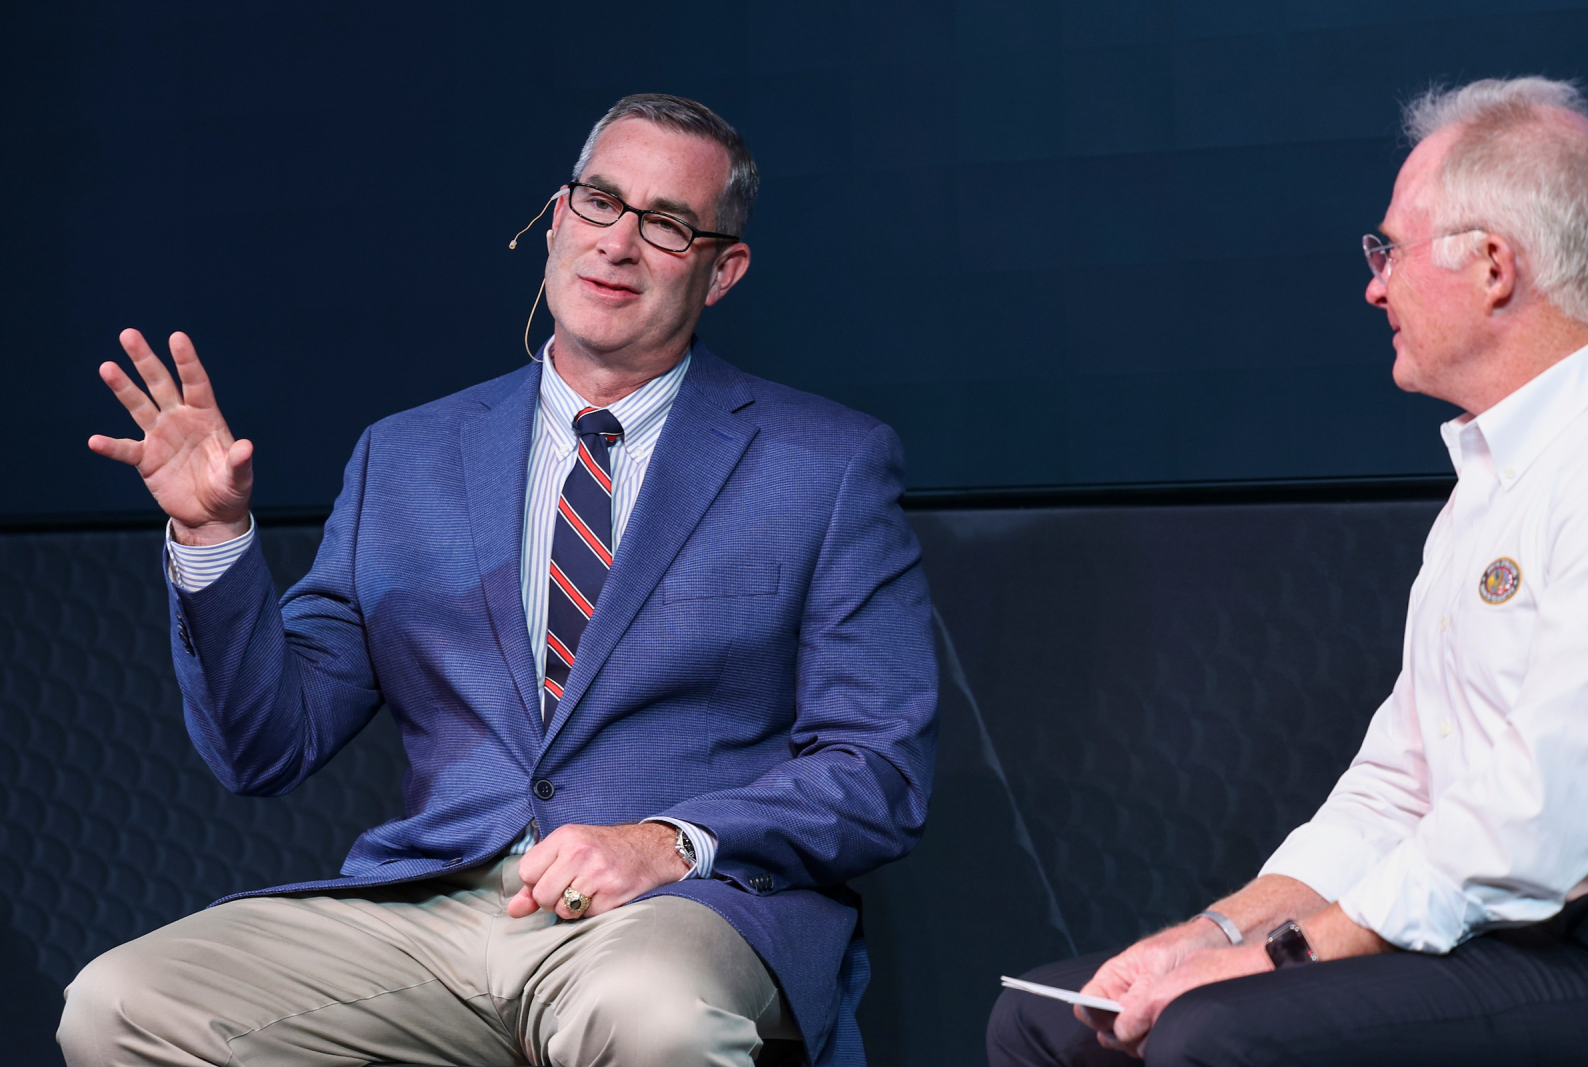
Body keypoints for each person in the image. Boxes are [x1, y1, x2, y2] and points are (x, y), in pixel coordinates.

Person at [61, 93, 938, 1067]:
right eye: (600, 203)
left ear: (720, 268)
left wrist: (663, 839)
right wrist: (214, 536)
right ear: (557, 217)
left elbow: (877, 767)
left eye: (666, 223)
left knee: (651, 1018)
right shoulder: (407, 456)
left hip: (676, 907)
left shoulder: (823, 464)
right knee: (120, 1002)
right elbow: (266, 744)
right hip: (433, 903)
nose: (618, 244)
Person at [989, 75, 1588, 1066]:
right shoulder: (1487, 480)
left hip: (1570, 947)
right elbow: (1394, 788)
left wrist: (1284, 955)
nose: (1372, 284)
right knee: (1053, 1016)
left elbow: (1543, 825)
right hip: (1476, 927)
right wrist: (1209, 934)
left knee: (1212, 1031)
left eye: (1388, 249)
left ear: (1493, 266)